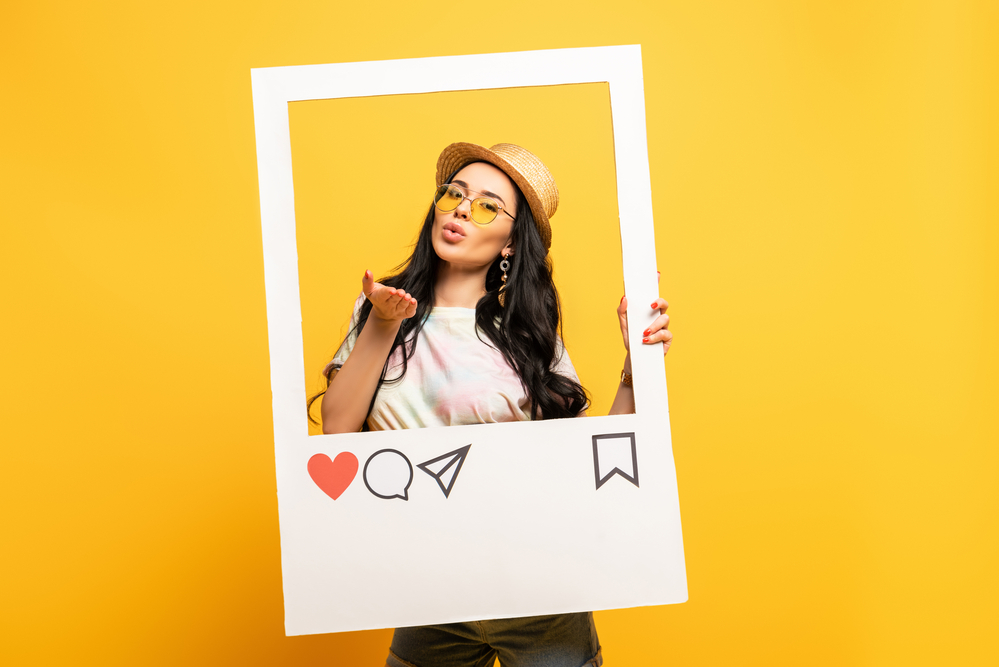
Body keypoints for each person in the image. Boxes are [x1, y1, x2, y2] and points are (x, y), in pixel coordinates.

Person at [308, 143, 671, 667]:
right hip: (430, 596)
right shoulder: (380, 309)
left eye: (485, 205)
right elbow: (338, 433)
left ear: (509, 243)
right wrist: (383, 323)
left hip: (541, 592)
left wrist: (637, 367)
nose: (460, 208)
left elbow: (591, 469)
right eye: (453, 194)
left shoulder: (525, 336)